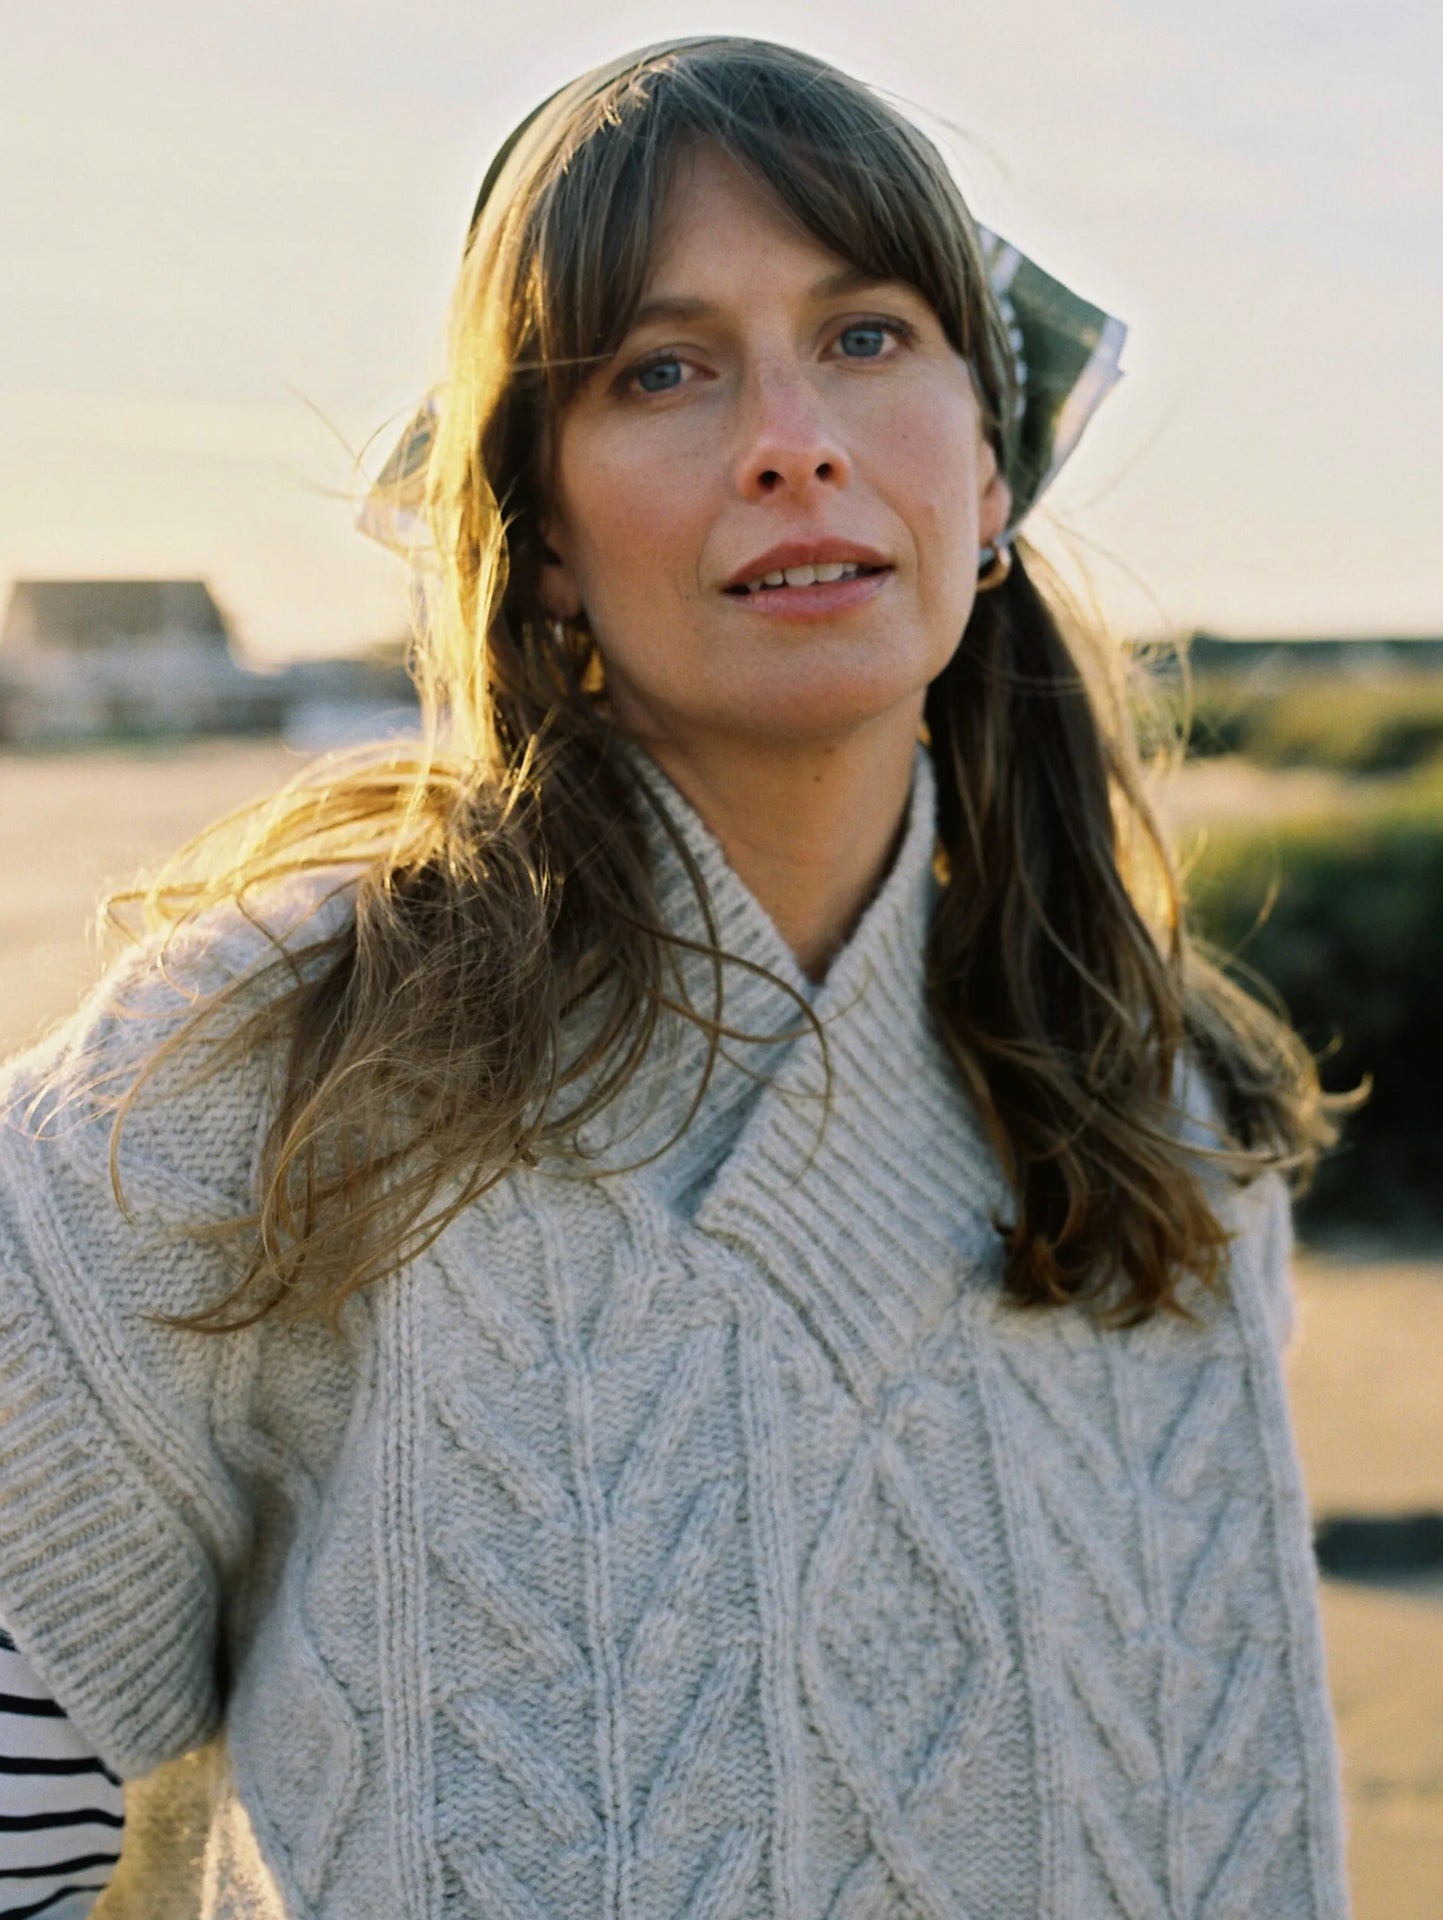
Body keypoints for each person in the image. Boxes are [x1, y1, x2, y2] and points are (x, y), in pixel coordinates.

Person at [0, 35, 1352, 1920]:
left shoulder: (1162, 1126)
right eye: (662, 368)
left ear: (988, 476)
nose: (790, 436)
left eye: (868, 336)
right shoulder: (269, 1057)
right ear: (541, 535)